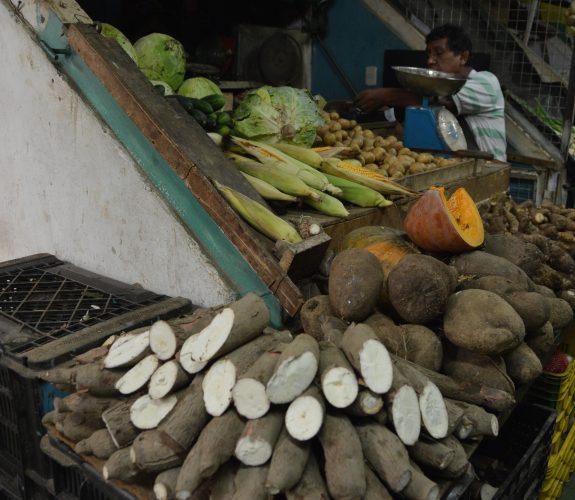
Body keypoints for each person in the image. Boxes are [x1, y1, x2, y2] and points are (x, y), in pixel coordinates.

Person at [354, 24, 507, 161]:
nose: (430, 61)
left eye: (439, 53)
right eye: (429, 54)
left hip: (487, 171)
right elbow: (419, 106)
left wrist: (388, 95)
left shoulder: (486, 82)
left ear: (463, 57)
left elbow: (442, 101)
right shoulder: (427, 95)